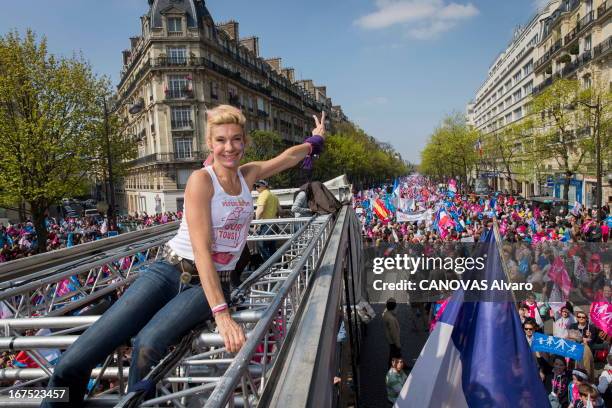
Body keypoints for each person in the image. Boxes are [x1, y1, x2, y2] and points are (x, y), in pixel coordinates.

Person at [42, 105, 327, 407]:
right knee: (73, 361)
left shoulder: (249, 175)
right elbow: (202, 250)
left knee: (148, 344)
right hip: (167, 271)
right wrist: (223, 316)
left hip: (213, 283)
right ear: (209, 144)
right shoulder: (200, 181)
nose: (229, 147)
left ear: (245, 142)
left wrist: (315, 140)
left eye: (236, 139)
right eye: (220, 140)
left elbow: (289, 157)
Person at [254, 179, 280, 260]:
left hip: (266, 224)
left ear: (264, 186)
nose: (256, 188)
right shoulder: (274, 196)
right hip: (274, 224)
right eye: (255, 186)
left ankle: (268, 266)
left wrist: (256, 224)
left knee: (261, 244)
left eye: (258, 186)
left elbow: (260, 210)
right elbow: (280, 211)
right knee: (271, 246)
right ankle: (275, 265)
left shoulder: (263, 194)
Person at [383, 297, 402, 368]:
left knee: (394, 354)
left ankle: (401, 365)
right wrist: (398, 344)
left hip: (390, 339)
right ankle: (392, 368)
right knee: (394, 354)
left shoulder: (387, 314)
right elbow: (394, 334)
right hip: (393, 341)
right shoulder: (391, 319)